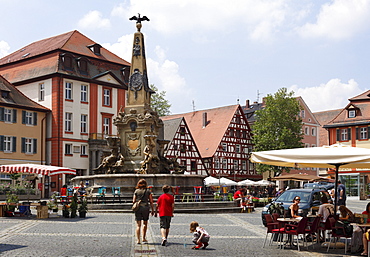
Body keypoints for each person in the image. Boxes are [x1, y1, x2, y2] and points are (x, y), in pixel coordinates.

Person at [133, 179, 155, 244]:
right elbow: (151, 201)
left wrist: (137, 203)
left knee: (138, 225)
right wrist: (152, 210)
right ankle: (143, 238)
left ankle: (138, 240)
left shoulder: (136, 191)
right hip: (145, 208)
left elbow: (133, 201)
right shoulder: (148, 191)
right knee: (145, 223)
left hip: (138, 208)